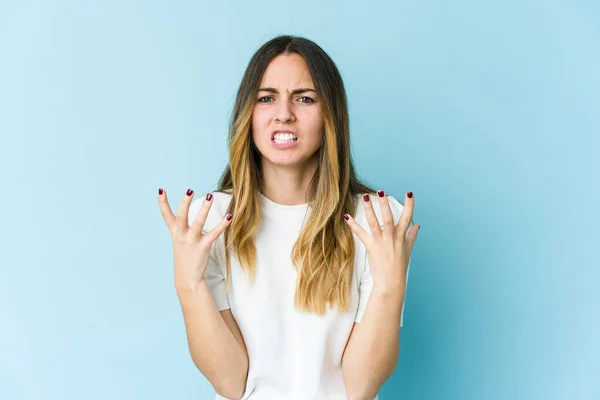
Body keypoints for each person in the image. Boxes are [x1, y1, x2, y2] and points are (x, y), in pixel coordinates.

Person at [158, 35, 420, 400]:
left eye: (305, 98)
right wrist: (189, 284)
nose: (284, 113)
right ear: (246, 116)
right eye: (266, 98)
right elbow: (232, 383)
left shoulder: (376, 219)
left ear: (331, 114)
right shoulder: (212, 220)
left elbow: (359, 387)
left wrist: (390, 287)